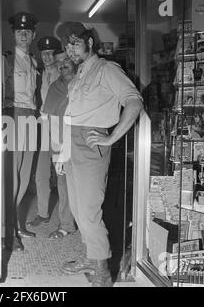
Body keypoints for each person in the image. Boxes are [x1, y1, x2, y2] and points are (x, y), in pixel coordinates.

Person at [55, 27, 144, 286]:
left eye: (75, 43)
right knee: (77, 209)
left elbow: (134, 101)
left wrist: (111, 137)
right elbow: (73, 115)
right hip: (73, 142)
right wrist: (63, 153)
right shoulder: (81, 72)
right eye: (67, 46)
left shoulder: (108, 69)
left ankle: (103, 273)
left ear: (90, 42)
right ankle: (91, 258)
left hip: (91, 143)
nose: (70, 49)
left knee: (89, 210)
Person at [2, 12, 39, 251]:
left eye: (27, 31)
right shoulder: (7, 59)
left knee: (25, 174)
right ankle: (7, 229)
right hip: (13, 114)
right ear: (13, 34)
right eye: (19, 31)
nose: (23, 35)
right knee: (12, 174)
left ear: (33, 34)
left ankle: (15, 223)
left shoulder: (34, 61)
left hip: (31, 115)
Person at [41, 49, 76, 239]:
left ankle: (87, 227)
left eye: (67, 60)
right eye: (59, 62)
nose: (62, 65)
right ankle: (66, 225)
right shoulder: (54, 87)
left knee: (84, 188)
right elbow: (51, 119)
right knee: (63, 186)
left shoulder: (83, 84)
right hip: (61, 143)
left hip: (81, 142)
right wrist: (57, 150)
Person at [28, 36, 62, 227]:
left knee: (62, 174)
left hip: (60, 127)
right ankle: (43, 213)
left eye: (51, 53)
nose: (48, 57)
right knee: (41, 173)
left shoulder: (65, 72)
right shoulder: (37, 73)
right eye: (44, 53)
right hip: (42, 127)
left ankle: (67, 219)